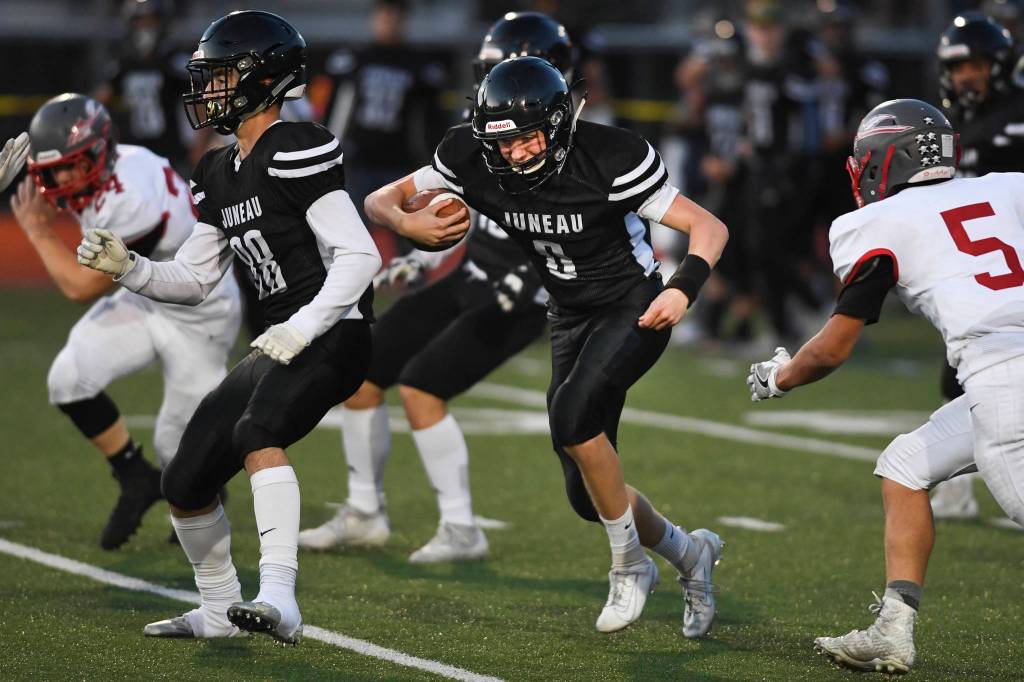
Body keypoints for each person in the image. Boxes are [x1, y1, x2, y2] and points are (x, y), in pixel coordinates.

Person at [366, 56, 729, 637]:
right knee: (588, 494)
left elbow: (709, 227)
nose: (514, 154)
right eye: (501, 142)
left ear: (559, 124)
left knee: (572, 414)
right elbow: (382, 198)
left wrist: (684, 288)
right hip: (566, 312)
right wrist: (406, 226)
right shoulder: (469, 156)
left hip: (631, 304)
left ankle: (629, 565)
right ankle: (690, 553)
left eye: (527, 137)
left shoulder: (609, 155)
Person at [77, 11, 382, 644]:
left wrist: (302, 329)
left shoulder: (296, 146)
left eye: (218, 77)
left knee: (256, 430)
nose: (206, 90)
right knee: (185, 480)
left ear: (262, 78)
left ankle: (280, 598)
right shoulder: (217, 171)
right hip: (279, 342)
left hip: (336, 330)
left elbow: (359, 256)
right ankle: (218, 611)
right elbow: (192, 279)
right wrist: (129, 267)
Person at [747, 99, 1024, 673]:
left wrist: (779, 377)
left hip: (1004, 377)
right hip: (1000, 379)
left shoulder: (877, 223)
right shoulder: (1008, 187)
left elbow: (832, 349)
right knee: (904, 467)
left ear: (882, 160)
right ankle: (894, 628)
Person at [299, 12, 571, 563]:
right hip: (474, 273)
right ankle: (364, 511)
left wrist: (535, 280)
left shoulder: (572, 147)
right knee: (361, 372)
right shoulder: (487, 132)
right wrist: (427, 259)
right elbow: (460, 201)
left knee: (423, 387)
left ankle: (462, 526)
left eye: (500, 73)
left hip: (524, 295)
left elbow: (578, 231)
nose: (490, 90)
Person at [11, 94, 240, 550]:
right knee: (68, 379)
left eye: (70, 167)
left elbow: (79, 287)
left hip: (199, 312)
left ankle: (202, 489)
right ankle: (135, 477)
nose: (57, 181)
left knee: (176, 450)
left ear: (99, 154)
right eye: (51, 170)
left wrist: (36, 229)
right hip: (146, 296)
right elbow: (64, 187)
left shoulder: (133, 200)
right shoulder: (111, 165)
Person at [930, 12, 1024, 520]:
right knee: (958, 374)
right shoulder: (947, 121)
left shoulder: (1017, 109)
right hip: (978, 266)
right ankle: (959, 483)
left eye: (976, 64)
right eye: (958, 65)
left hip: (1016, 261)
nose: (966, 74)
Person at [95, 0, 192, 174]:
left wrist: (199, 145)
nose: (145, 26)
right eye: (140, 20)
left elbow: (202, 99)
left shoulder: (173, 60)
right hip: (133, 152)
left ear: (162, 23)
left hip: (170, 152)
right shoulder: (124, 63)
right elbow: (99, 102)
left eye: (151, 20)